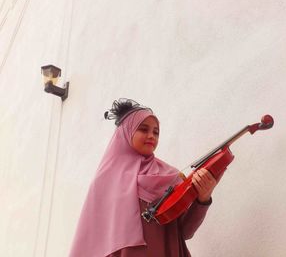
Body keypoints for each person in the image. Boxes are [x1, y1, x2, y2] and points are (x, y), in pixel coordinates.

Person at [69, 98, 219, 257]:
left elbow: (185, 231)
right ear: (126, 132)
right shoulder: (104, 181)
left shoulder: (171, 176)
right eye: (143, 129)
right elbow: (95, 241)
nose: (151, 136)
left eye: (156, 132)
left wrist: (203, 200)